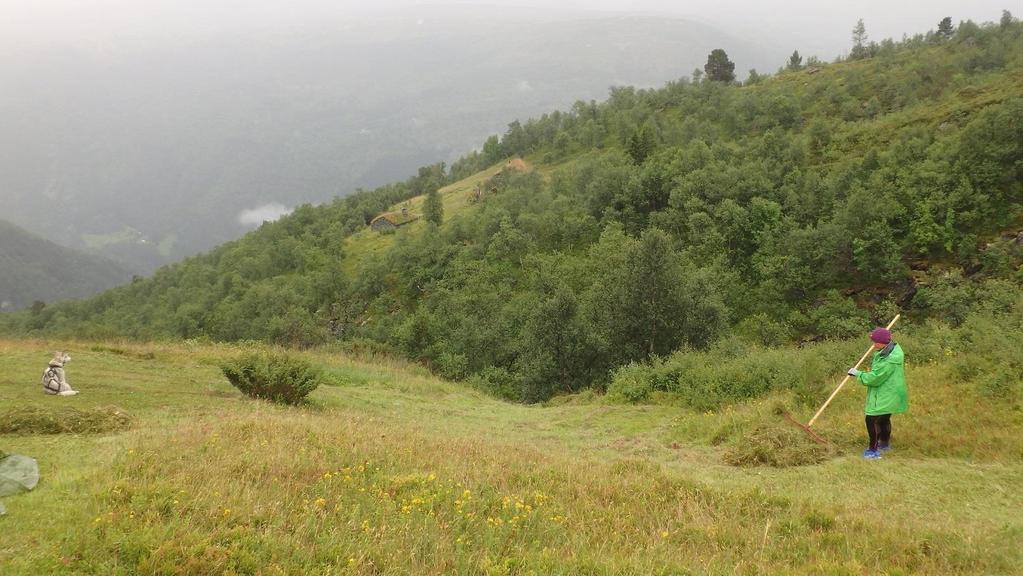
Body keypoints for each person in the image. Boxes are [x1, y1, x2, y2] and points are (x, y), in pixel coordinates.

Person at [847, 328, 907, 459]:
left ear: (883, 342)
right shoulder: (891, 350)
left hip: (885, 392)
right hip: (892, 391)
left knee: (872, 419)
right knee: (884, 418)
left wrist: (858, 374)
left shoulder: (890, 359)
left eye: (875, 342)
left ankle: (873, 451)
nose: (873, 344)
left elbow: (875, 378)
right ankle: (884, 444)